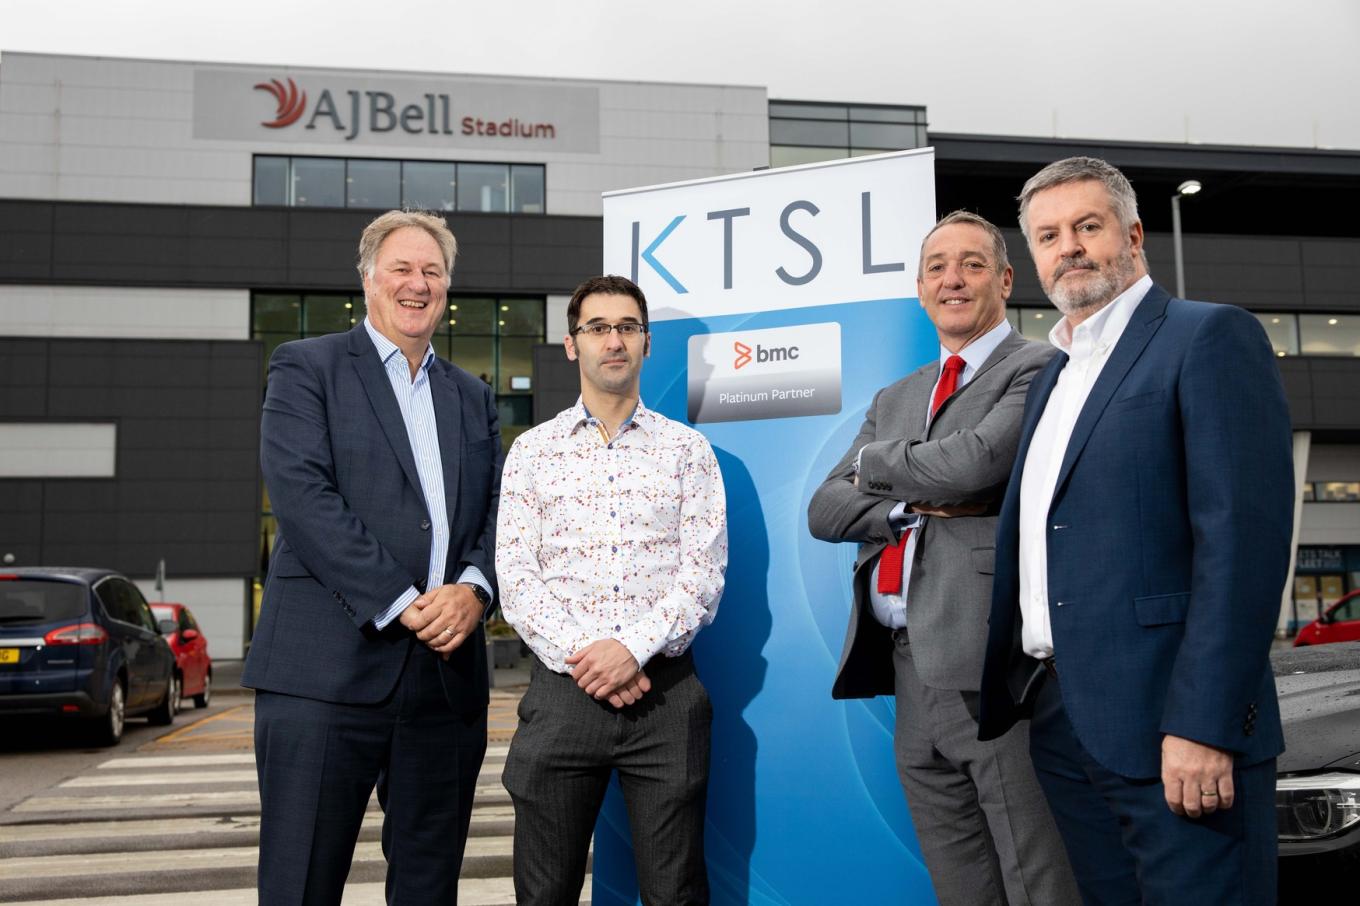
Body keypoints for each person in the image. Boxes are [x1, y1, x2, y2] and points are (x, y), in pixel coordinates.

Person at [977, 157, 1294, 905]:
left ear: (1135, 233)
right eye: (1049, 235)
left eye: (1088, 226)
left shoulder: (1208, 337)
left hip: (1173, 728)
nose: (1070, 248)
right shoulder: (1051, 374)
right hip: (1064, 722)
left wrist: (1205, 725)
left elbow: (1241, 548)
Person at [808, 212, 1078, 906]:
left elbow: (977, 464)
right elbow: (823, 510)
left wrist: (874, 465)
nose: (952, 278)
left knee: (1032, 867)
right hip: (904, 664)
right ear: (920, 289)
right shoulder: (896, 396)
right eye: (936, 267)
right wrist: (906, 505)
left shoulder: (1038, 366)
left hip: (986, 658)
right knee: (957, 874)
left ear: (1005, 280)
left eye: (972, 264)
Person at [244, 209, 501, 905]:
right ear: (367, 281)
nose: (418, 284)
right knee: (302, 882)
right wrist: (402, 599)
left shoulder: (474, 396)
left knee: (429, 884)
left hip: (446, 683)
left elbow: (498, 514)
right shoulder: (307, 367)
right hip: (325, 672)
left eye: (433, 272)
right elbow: (303, 497)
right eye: (402, 269)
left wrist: (474, 591)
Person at [496, 274, 727, 906]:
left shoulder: (689, 451)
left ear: (646, 343)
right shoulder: (532, 453)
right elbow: (516, 579)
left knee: (675, 893)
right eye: (597, 328)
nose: (613, 340)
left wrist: (632, 648)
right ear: (573, 346)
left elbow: (703, 576)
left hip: (666, 697)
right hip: (562, 695)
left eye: (627, 327)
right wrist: (593, 658)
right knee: (544, 894)